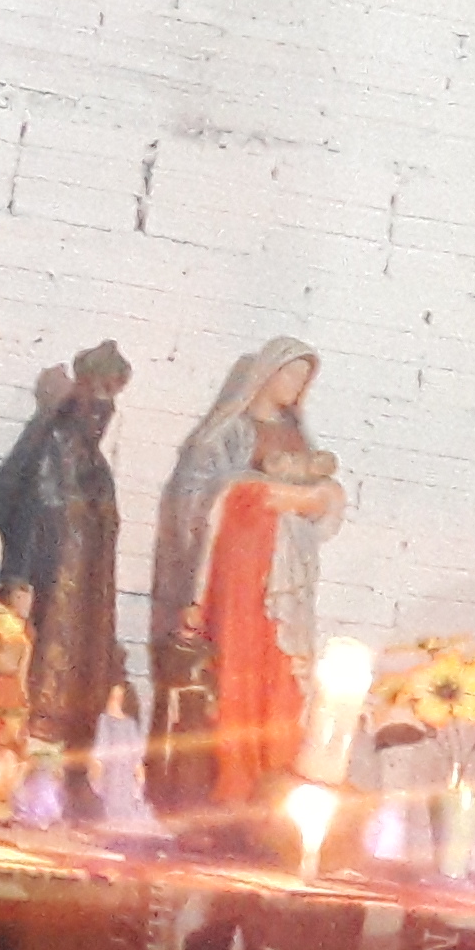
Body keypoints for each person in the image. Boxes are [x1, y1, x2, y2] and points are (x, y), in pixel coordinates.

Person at [142, 337, 347, 824]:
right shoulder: (227, 433)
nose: (295, 385)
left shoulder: (298, 436)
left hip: (286, 572)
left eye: (303, 378)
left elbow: (320, 500)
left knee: (283, 670)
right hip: (236, 571)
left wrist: (318, 498)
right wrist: (260, 493)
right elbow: (192, 498)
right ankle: (230, 777)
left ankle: (273, 773)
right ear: (266, 374)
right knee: (235, 664)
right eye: (289, 373)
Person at [0, 342, 134, 817]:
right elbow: (22, 511)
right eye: (96, 401)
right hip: (50, 588)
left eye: (109, 404)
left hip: (89, 595)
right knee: (42, 676)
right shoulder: (49, 448)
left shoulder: (96, 466)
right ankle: (32, 774)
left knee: (84, 677)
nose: (101, 414)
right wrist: (18, 579)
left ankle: (73, 775)